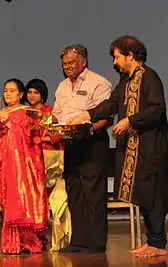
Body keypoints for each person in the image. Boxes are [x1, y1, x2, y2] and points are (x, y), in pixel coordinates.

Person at [69, 35, 168, 258]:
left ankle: (159, 243)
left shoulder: (149, 77)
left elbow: (157, 110)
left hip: (150, 147)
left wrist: (130, 121)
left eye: (117, 57)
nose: (114, 62)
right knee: (142, 194)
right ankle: (152, 240)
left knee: (153, 194)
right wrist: (87, 114)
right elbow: (112, 104)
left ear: (130, 55)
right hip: (135, 147)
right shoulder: (126, 80)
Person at [53, 44, 112, 253]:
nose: (67, 67)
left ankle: (96, 243)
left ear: (83, 62)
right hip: (70, 143)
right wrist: (50, 125)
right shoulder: (61, 86)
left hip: (92, 143)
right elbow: (57, 113)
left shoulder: (99, 82)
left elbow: (105, 115)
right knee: (74, 191)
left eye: (71, 63)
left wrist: (90, 130)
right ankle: (78, 240)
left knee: (93, 193)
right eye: (64, 64)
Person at [0, 78, 48, 254]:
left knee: (21, 201)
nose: (7, 94)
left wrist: (8, 122)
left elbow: (29, 136)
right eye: (5, 91)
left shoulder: (27, 112)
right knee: (6, 199)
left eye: (11, 91)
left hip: (21, 165)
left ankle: (27, 241)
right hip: (3, 162)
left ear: (20, 94)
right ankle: (13, 241)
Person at [25, 78, 70, 251]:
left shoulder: (50, 111)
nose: (32, 95)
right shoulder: (23, 112)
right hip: (30, 159)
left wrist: (39, 139)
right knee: (33, 199)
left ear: (42, 95)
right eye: (29, 91)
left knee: (55, 199)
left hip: (51, 159)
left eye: (35, 92)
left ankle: (60, 239)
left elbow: (59, 135)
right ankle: (35, 238)